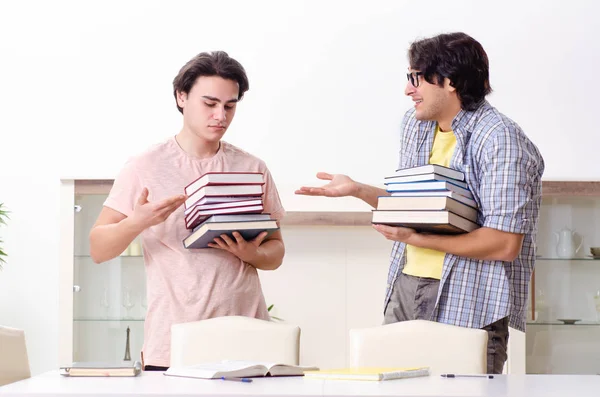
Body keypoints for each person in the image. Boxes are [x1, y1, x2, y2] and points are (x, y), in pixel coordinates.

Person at [296, 32, 544, 374]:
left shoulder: (499, 139)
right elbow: (415, 207)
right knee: (393, 385)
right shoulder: (416, 126)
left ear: (450, 82)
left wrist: (417, 239)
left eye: (416, 78)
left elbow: (504, 243)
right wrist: (359, 190)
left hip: (469, 294)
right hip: (407, 283)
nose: (408, 89)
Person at [89, 51, 285, 370]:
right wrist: (137, 222)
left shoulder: (253, 168)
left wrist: (252, 254)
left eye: (230, 106)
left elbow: (276, 252)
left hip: (248, 338)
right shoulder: (144, 166)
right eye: (210, 104)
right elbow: (98, 249)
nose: (220, 115)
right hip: (174, 343)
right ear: (182, 97)